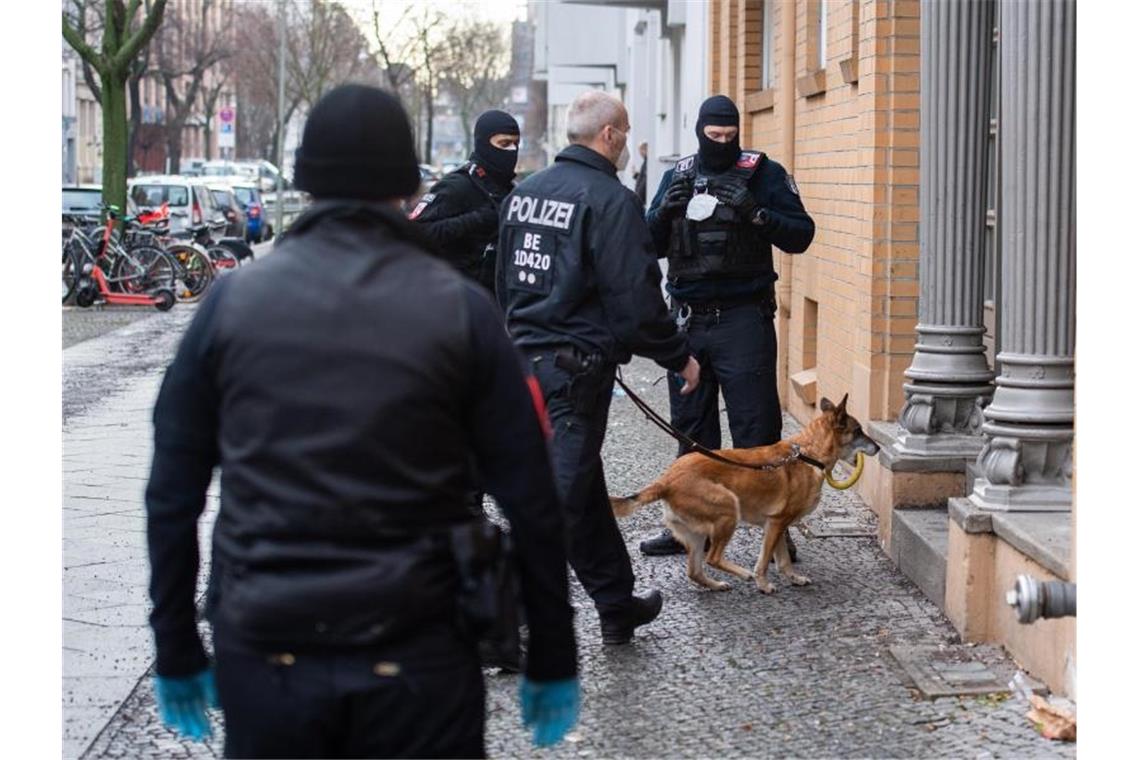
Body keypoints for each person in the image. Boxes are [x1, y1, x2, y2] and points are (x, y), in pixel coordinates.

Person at [145, 84, 579, 758]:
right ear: (408, 185)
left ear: (305, 180)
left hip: (268, 647)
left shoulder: (231, 305)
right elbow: (532, 496)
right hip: (419, 649)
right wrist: (552, 650)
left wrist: (175, 642)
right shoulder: (462, 312)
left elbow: (172, 492)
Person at [496, 90, 701, 645]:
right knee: (557, 495)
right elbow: (636, 300)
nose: (630, 147)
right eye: (626, 133)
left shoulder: (524, 195)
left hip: (522, 365)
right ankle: (504, 616)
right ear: (608, 135)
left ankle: (615, 603)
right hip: (573, 374)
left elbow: (505, 285)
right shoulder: (609, 201)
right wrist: (677, 354)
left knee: (579, 487)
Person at [639, 94, 815, 558]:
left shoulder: (764, 174)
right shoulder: (676, 176)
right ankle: (689, 526)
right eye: (712, 136)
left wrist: (758, 213)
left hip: (743, 320)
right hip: (691, 322)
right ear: (699, 131)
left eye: (728, 136)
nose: (720, 143)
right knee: (692, 431)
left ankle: (778, 532)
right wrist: (662, 214)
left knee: (756, 428)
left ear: (738, 133)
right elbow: (646, 242)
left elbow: (802, 234)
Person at [409, 109, 520, 293]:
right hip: (458, 301)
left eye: (516, 144)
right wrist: (478, 219)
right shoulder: (457, 186)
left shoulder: (510, 190)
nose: (512, 150)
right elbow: (417, 232)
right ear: (484, 144)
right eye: (504, 143)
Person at [633, 140, 649, 207]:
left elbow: (645, 181)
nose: (640, 153)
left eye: (640, 150)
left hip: (641, 199)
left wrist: (638, 196)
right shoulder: (645, 162)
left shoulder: (647, 162)